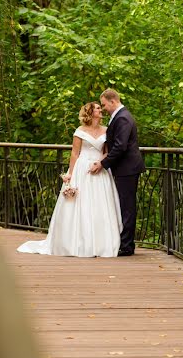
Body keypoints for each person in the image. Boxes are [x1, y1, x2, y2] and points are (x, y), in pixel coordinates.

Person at [17, 102, 122, 257]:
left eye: (101, 107)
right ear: (90, 112)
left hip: (99, 169)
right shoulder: (80, 131)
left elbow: (108, 152)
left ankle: (101, 244)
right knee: (81, 205)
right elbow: (74, 154)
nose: (101, 110)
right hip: (82, 170)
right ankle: (77, 243)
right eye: (98, 108)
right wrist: (70, 176)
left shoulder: (107, 131)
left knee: (100, 205)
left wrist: (101, 163)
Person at [89, 89, 145, 256]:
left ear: (112, 101)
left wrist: (103, 163)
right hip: (124, 168)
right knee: (123, 205)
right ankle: (124, 243)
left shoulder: (123, 118)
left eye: (105, 105)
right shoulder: (120, 117)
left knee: (127, 207)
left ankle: (127, 246)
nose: (104, 108)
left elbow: (120, 146)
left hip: (127, 168)